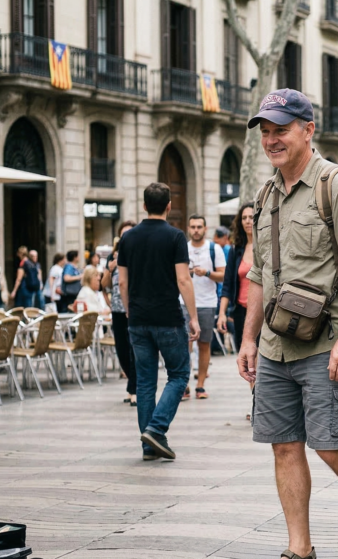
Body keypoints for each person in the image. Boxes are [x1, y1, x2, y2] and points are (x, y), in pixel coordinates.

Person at [236, 89, 338, 559]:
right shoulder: (266, 194)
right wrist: (248, 339)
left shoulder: (337, 184)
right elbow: (261, 274)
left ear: (308, 130)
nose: (271, 140)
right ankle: (299, 548)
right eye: (265, 132)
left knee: (331, 445)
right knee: (284, 447)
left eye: (280, 130)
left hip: (327, 341)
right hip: (274, 345)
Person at [118, 182, 200, 461]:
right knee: (179, 374)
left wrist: (130, 310)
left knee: (144, 382)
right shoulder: (175, 237)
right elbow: (183, 279)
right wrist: (194, 317)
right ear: (168, 206)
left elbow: (122, 283)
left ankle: (148, 446)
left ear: (144, 206)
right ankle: (156, 428)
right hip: (167, 318)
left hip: (138, 320)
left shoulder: (127, 239)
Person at [183, 214, 225, 400]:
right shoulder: (183, 248)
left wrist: (207, 273)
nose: (196, 230)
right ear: (188, 229)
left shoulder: (214, 249)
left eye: (199, 227)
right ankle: (184, 384)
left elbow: (223, 276)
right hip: (183, 302)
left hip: (207, 302)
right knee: (184, 345)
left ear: (205, 229)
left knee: (204, 344)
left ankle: (200, 385)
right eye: (193, 227)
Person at [103, 221, 137, 406]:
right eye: (124, 234)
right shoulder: (112, 256)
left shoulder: (140, 254)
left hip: (135, 308)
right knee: (122, 349)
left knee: (135, 349)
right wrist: (111, 267)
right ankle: (133, 385)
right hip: (117, 308)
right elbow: (104, 284)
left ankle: (134, 390)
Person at [218, 203, 254, 353]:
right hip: (241, 312)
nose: (247, 221)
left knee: (263, 360)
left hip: (264, 311)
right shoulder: (236, 250)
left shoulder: (268, 247)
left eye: (251, 217)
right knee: (244, 357)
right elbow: (227, 285)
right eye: (244, 218)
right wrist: (222, 314)